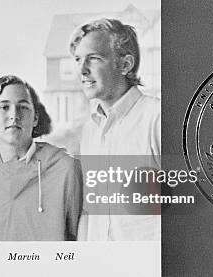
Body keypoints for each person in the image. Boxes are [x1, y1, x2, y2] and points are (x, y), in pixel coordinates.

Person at [70, 18, 161, 241]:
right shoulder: (90, 130)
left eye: (93, 58)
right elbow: (90, 210)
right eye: (79, 59)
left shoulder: (157, 117)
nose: (82, 70)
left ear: (125, 65)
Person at [0, 75, 83, 241]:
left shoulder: (66, 168)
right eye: (4, 107)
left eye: (23, 107)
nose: (14, 115)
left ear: (35, 118)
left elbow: (81, 237)